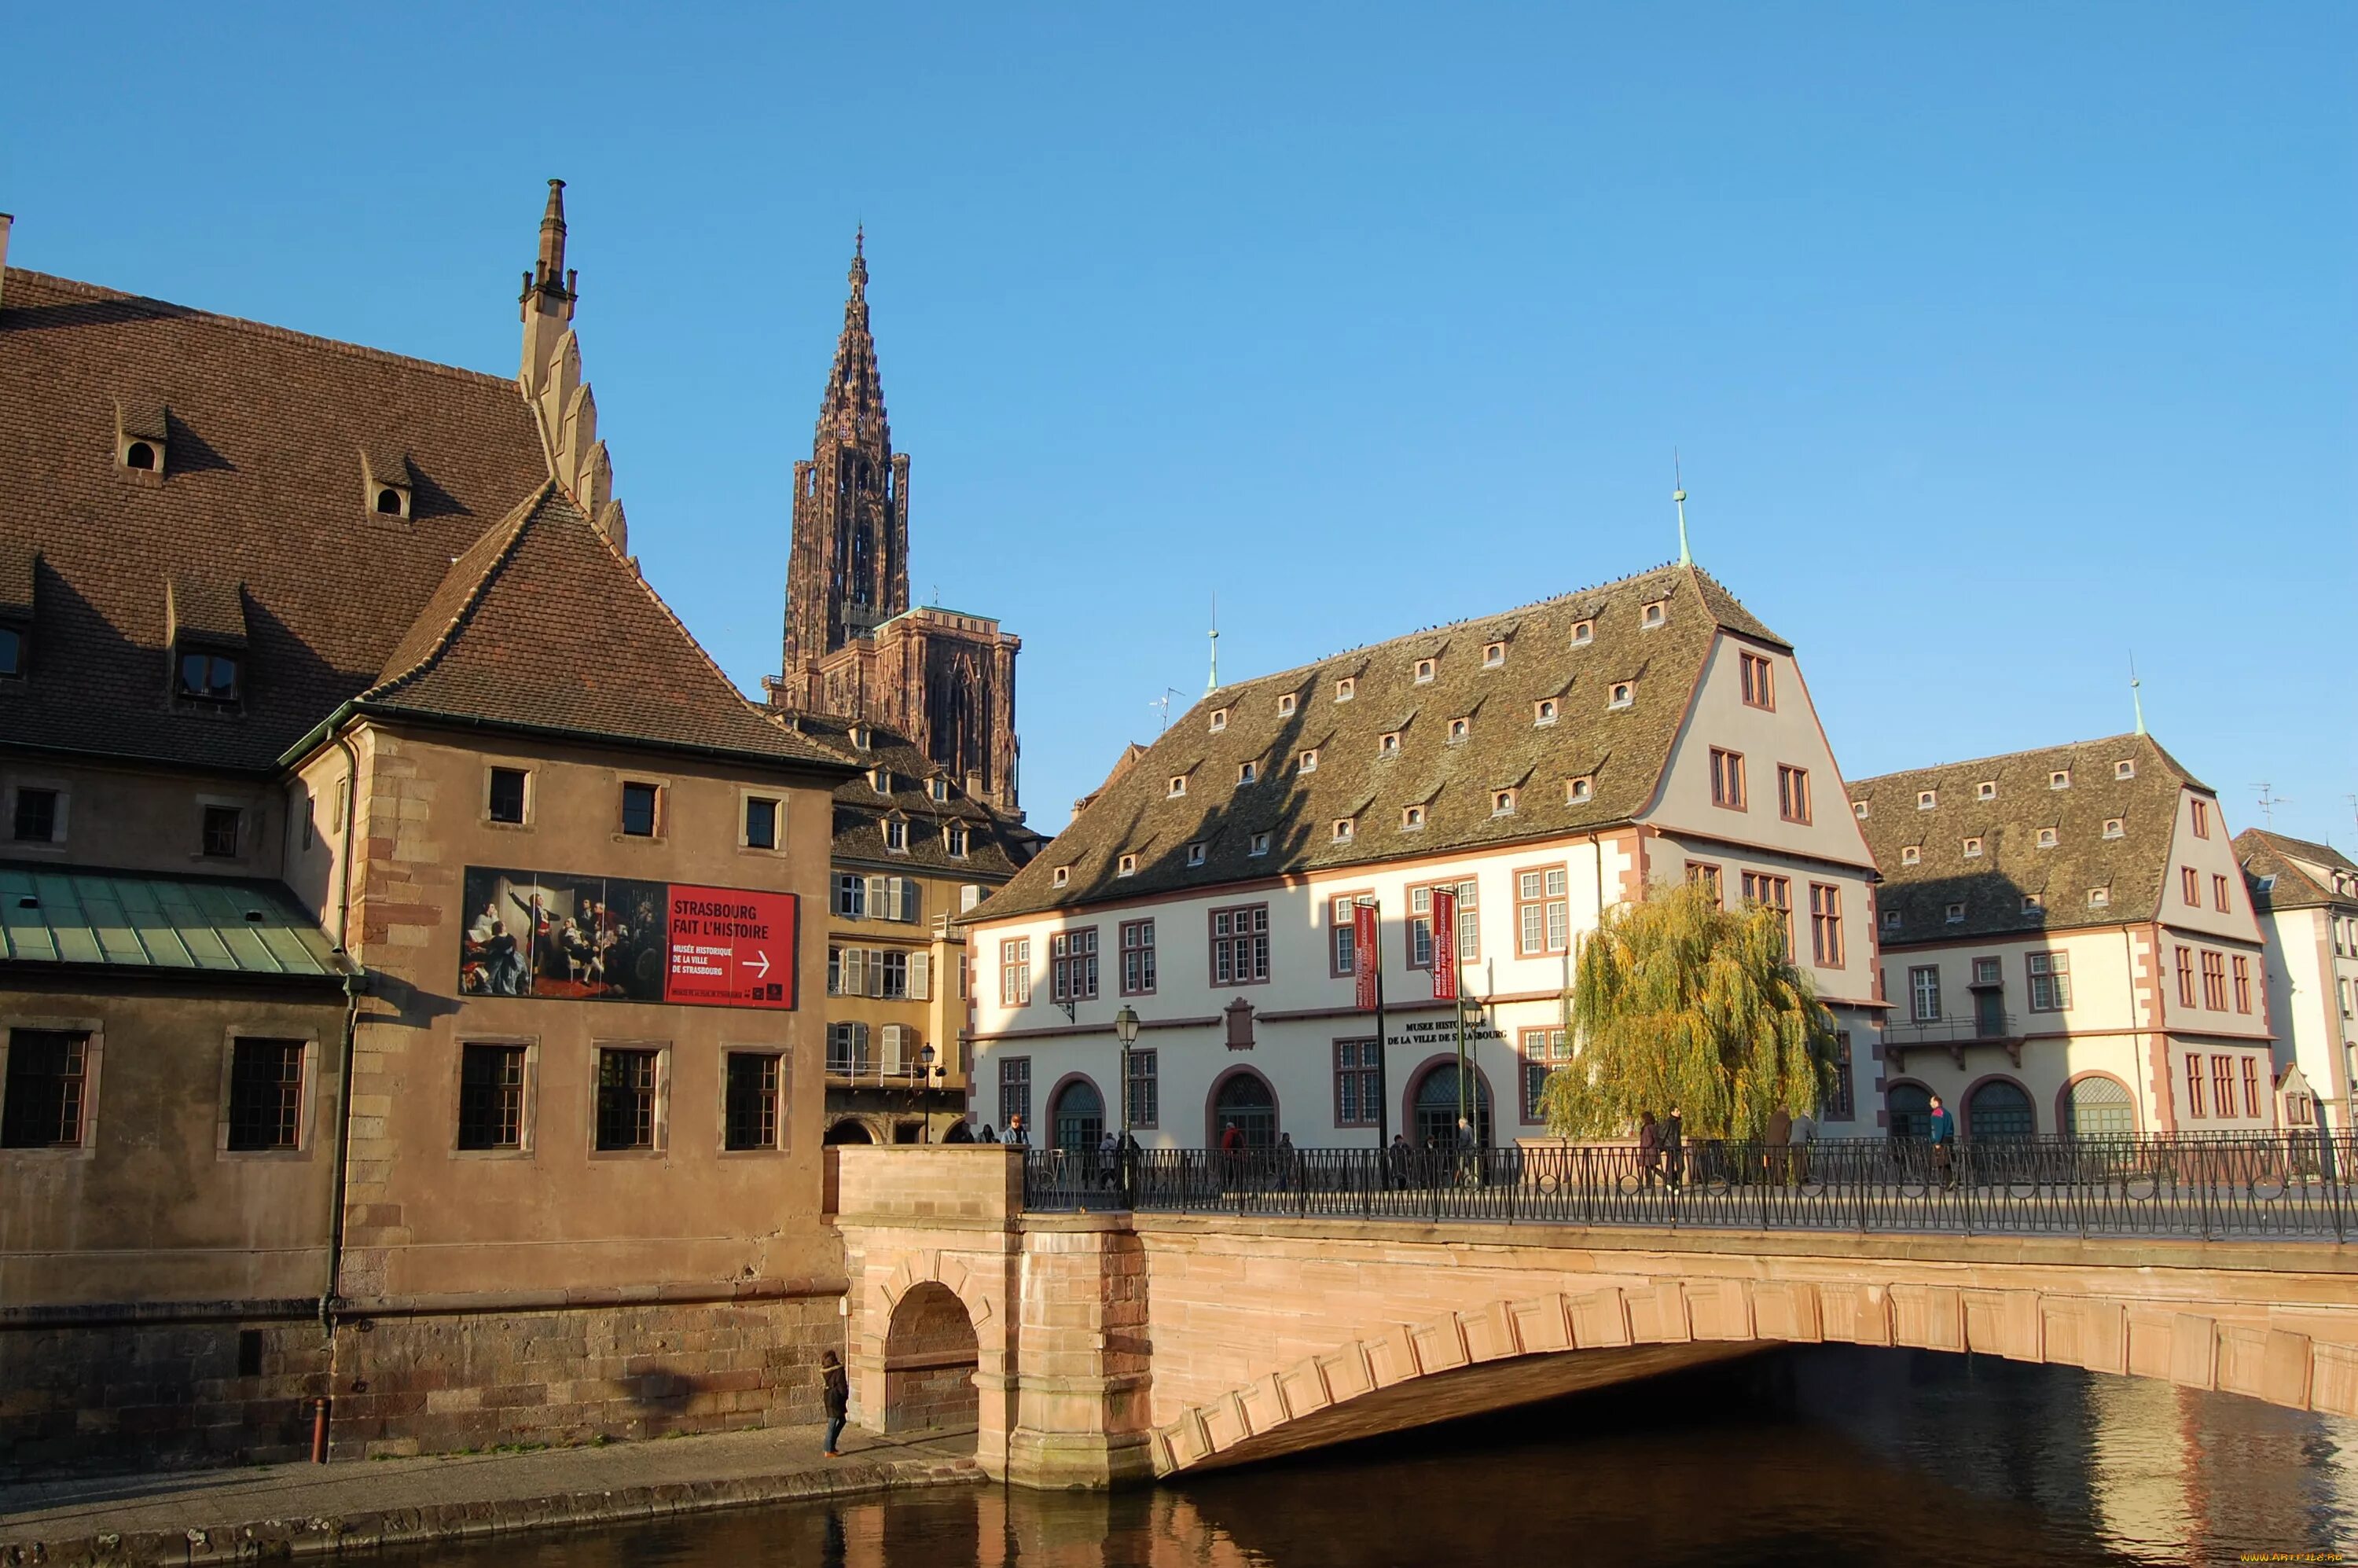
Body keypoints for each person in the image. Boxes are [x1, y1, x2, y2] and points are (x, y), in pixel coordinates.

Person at [820, 1350, 849, 1457]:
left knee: (841, 1420)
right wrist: (845, 1395)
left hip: (828, 1396)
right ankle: (828, 1449)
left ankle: (831, 1446)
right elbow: (842, 1386)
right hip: (836, 1398)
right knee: (832, 1424)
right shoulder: (838, 1370)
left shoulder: (825, 1371)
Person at [1927, 1094, 1956, 1190]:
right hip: (1949, 1138)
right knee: (1946, 1161)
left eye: (1931, 1102)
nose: (1930, 1104)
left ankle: (1950, 1181)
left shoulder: (1937, 1113)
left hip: (1941, 1140)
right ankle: (1951, 1181)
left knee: (1940, 1161)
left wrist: (1936, 1142)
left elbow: (1937, 1129)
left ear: (1936, 1102)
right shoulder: (1947, 1112)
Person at [1765, 1104, 1792, 1185]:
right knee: (1780, 1163)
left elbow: (1768, 1131)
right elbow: (1788, 1134)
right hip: (1781, 1144)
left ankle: (1773, 1181)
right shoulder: (1787, 1119)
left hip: (1770, 1144)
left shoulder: (1772, 1117)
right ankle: (1780, 1181)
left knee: (1773, 1163)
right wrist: (1788, 1141)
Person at [1662, 1106, 1685, 1188]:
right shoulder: (1668, 1123)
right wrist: (1661, 1148)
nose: (1679, 1112)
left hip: (1678, 1147)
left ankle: (1670, 1181)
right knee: (1671, 1167)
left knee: (1682, 1167)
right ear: (1672, 1113)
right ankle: (1671, 1183)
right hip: (1670, 1147)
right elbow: (1662, 1135)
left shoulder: (1678, 1123)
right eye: (1677, 1111)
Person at [1636, 1110, 1661, 1188]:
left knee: (1649, 1167)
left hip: (1648, 1151)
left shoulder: (1647, 1128)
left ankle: (1651, 1183)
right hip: (1654, 1150)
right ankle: (1649, 1183)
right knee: (1649, 1168)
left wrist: (1643, 1147)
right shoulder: (1654, 1127)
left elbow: (1648, 1140)